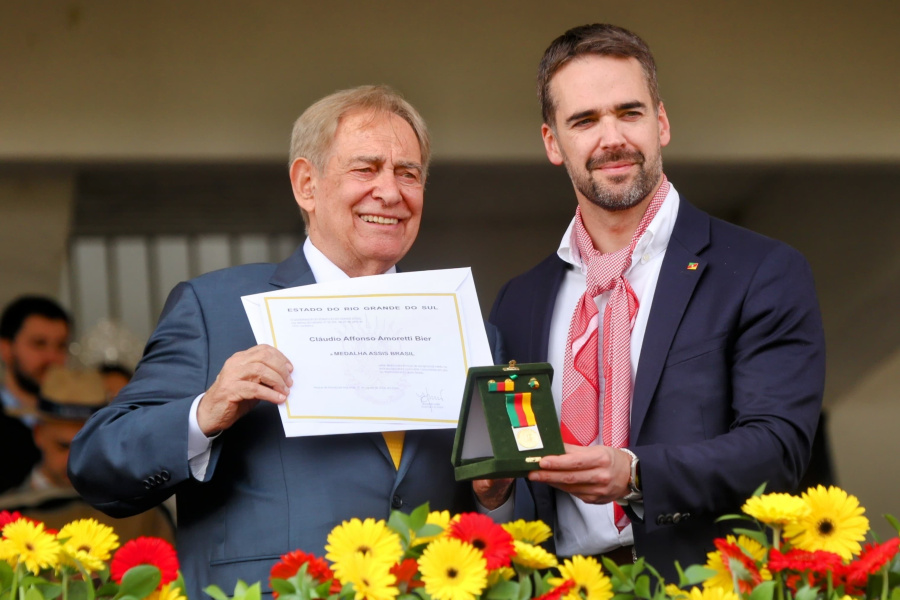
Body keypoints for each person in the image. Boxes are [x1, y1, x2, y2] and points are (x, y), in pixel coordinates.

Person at [69, 85, 499, 600]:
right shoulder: (215, 308)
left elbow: (496, 511)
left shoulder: (468, 327)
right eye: (366, 169)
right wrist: (204, 413)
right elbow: (95, 464)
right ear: (306, 185)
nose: (390, 192)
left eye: (408, 173)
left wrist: (496, 493)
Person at [485, 24, 825, 578]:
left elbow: (779, 448)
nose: (612, 137)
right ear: (552, 142)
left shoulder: (761, 270)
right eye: (585, 120)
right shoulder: (518, 302)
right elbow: (520, 483)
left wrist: (636, 473)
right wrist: (495, 494)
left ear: (661, 122)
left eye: (630, 112)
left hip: (708, 587)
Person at [0, 366, 175, 543]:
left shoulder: (144, 515)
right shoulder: (8, 515)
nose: (74, 461)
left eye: (86, 447)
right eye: (63, 446)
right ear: (38, 433)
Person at [0, 295, 71, 427]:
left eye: (61, 345)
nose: (52, 357)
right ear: (6, 349)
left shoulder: (77, 421)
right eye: (39, 344)